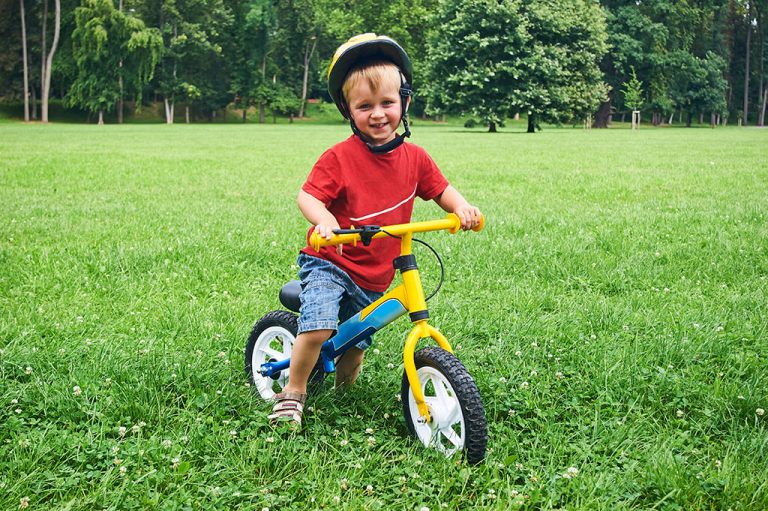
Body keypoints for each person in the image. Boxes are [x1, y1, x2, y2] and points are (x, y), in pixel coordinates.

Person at [268, 33, 482, 426]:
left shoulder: (415, 158)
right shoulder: (338, 158)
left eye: (387, 102)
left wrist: (462, 208)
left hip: (376, 271)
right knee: (319, 328)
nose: (378, 113)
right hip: (330, 263)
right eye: (365, 106)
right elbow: (308, 197)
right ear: (349, 111)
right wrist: (326, 221)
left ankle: (344, 395)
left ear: (405, 101)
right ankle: (293, 391)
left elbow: (441, 190)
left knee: (357, 341)